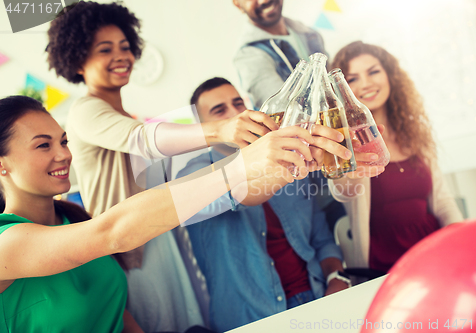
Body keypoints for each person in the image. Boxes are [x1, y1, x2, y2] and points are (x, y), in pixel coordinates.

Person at [45, 2, 282, 331]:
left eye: (126, 47)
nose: (121, 56)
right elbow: (141, 139)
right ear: (77, 59)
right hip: (130, 253)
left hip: (163, 241)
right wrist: (222, 129)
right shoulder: (85, 110)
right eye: (105, 49)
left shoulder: (127, 118)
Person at [0, 95, 317, 332]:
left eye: (64, 141)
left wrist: (297, 160)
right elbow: (114, 232)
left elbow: (120, 316)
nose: (64, 154)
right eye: (43, 145)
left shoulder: (74, 219)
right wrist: (240, 165)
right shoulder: (6, 242)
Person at [177, 78, 384, 332]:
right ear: (205, 128)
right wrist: (288, 167)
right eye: (220, 110)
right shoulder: (194, 174)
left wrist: (336, 277)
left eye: (238, 103)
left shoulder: (289, 157)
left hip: (317, 299)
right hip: (251, 319)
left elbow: (321, 239)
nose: (237, 115)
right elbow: (237, 194)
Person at [329, 41, 464, 273]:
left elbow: (443, 203)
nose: (366, 83)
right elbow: (343, 193)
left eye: (373, 72)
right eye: (352, 79)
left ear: (390, 75)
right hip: (383, 268)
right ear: (341, 89)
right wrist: (348, 165)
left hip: (434, 255)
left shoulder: (415, 133)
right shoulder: (344, 140)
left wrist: (461, 242)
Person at [233, 0, 346, 233]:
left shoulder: (309, 33)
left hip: (344, 158)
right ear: (237, 4)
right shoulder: (250, 54)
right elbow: (287, 117)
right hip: (309, 178)